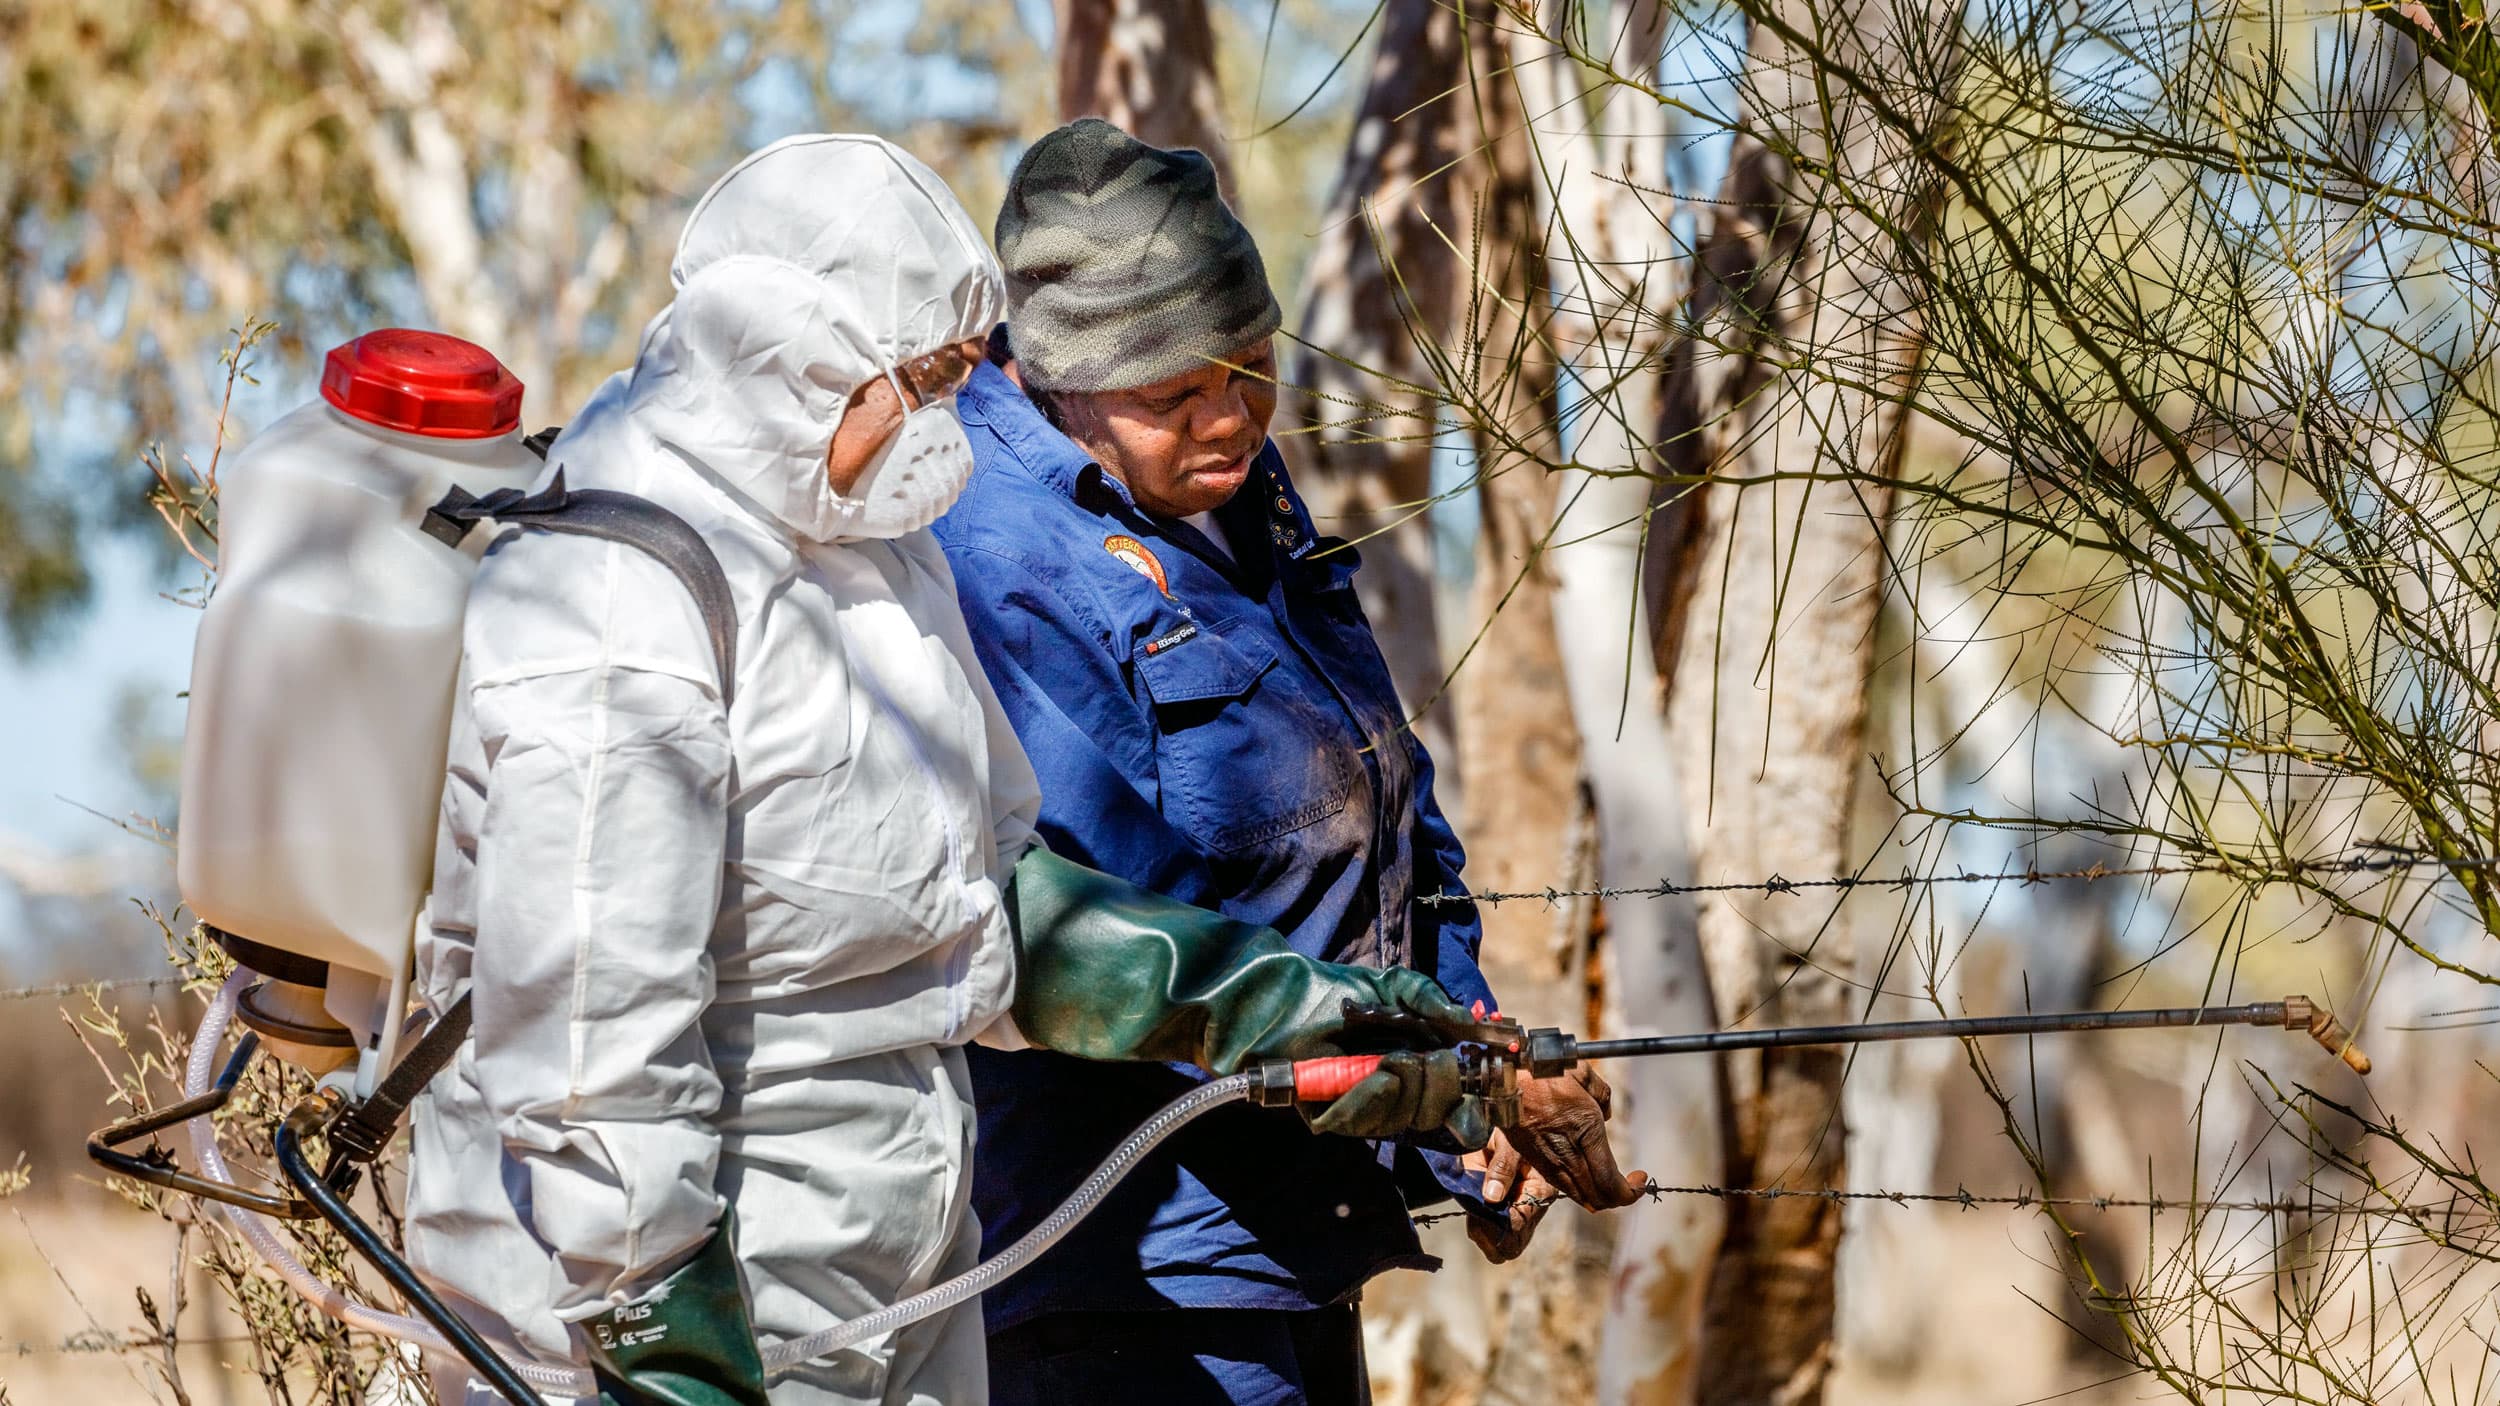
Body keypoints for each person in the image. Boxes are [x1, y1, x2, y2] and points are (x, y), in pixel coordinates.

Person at [406, 132, 1486, 1406]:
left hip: (907, 1275)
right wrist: (669, 1346)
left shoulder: (874, 545)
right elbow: (591, 1040)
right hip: (692, 1310)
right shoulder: (615, 592)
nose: (943, 423)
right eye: (918, 381)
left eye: (953, 376)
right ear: (795, 358)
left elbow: (985, 899)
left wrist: (1269, 1003)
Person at [934, 117, 1649, 1406]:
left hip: (1296, 1230)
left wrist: (1475, 1061)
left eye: (1249, 367)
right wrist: (1433, 1085)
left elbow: (1388, 810)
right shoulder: (994, 553)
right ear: (1062, 381)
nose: (1229, 418)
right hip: (1124, 1262)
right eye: (1173, 398)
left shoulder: (1235, 489)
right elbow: (1112, 932)